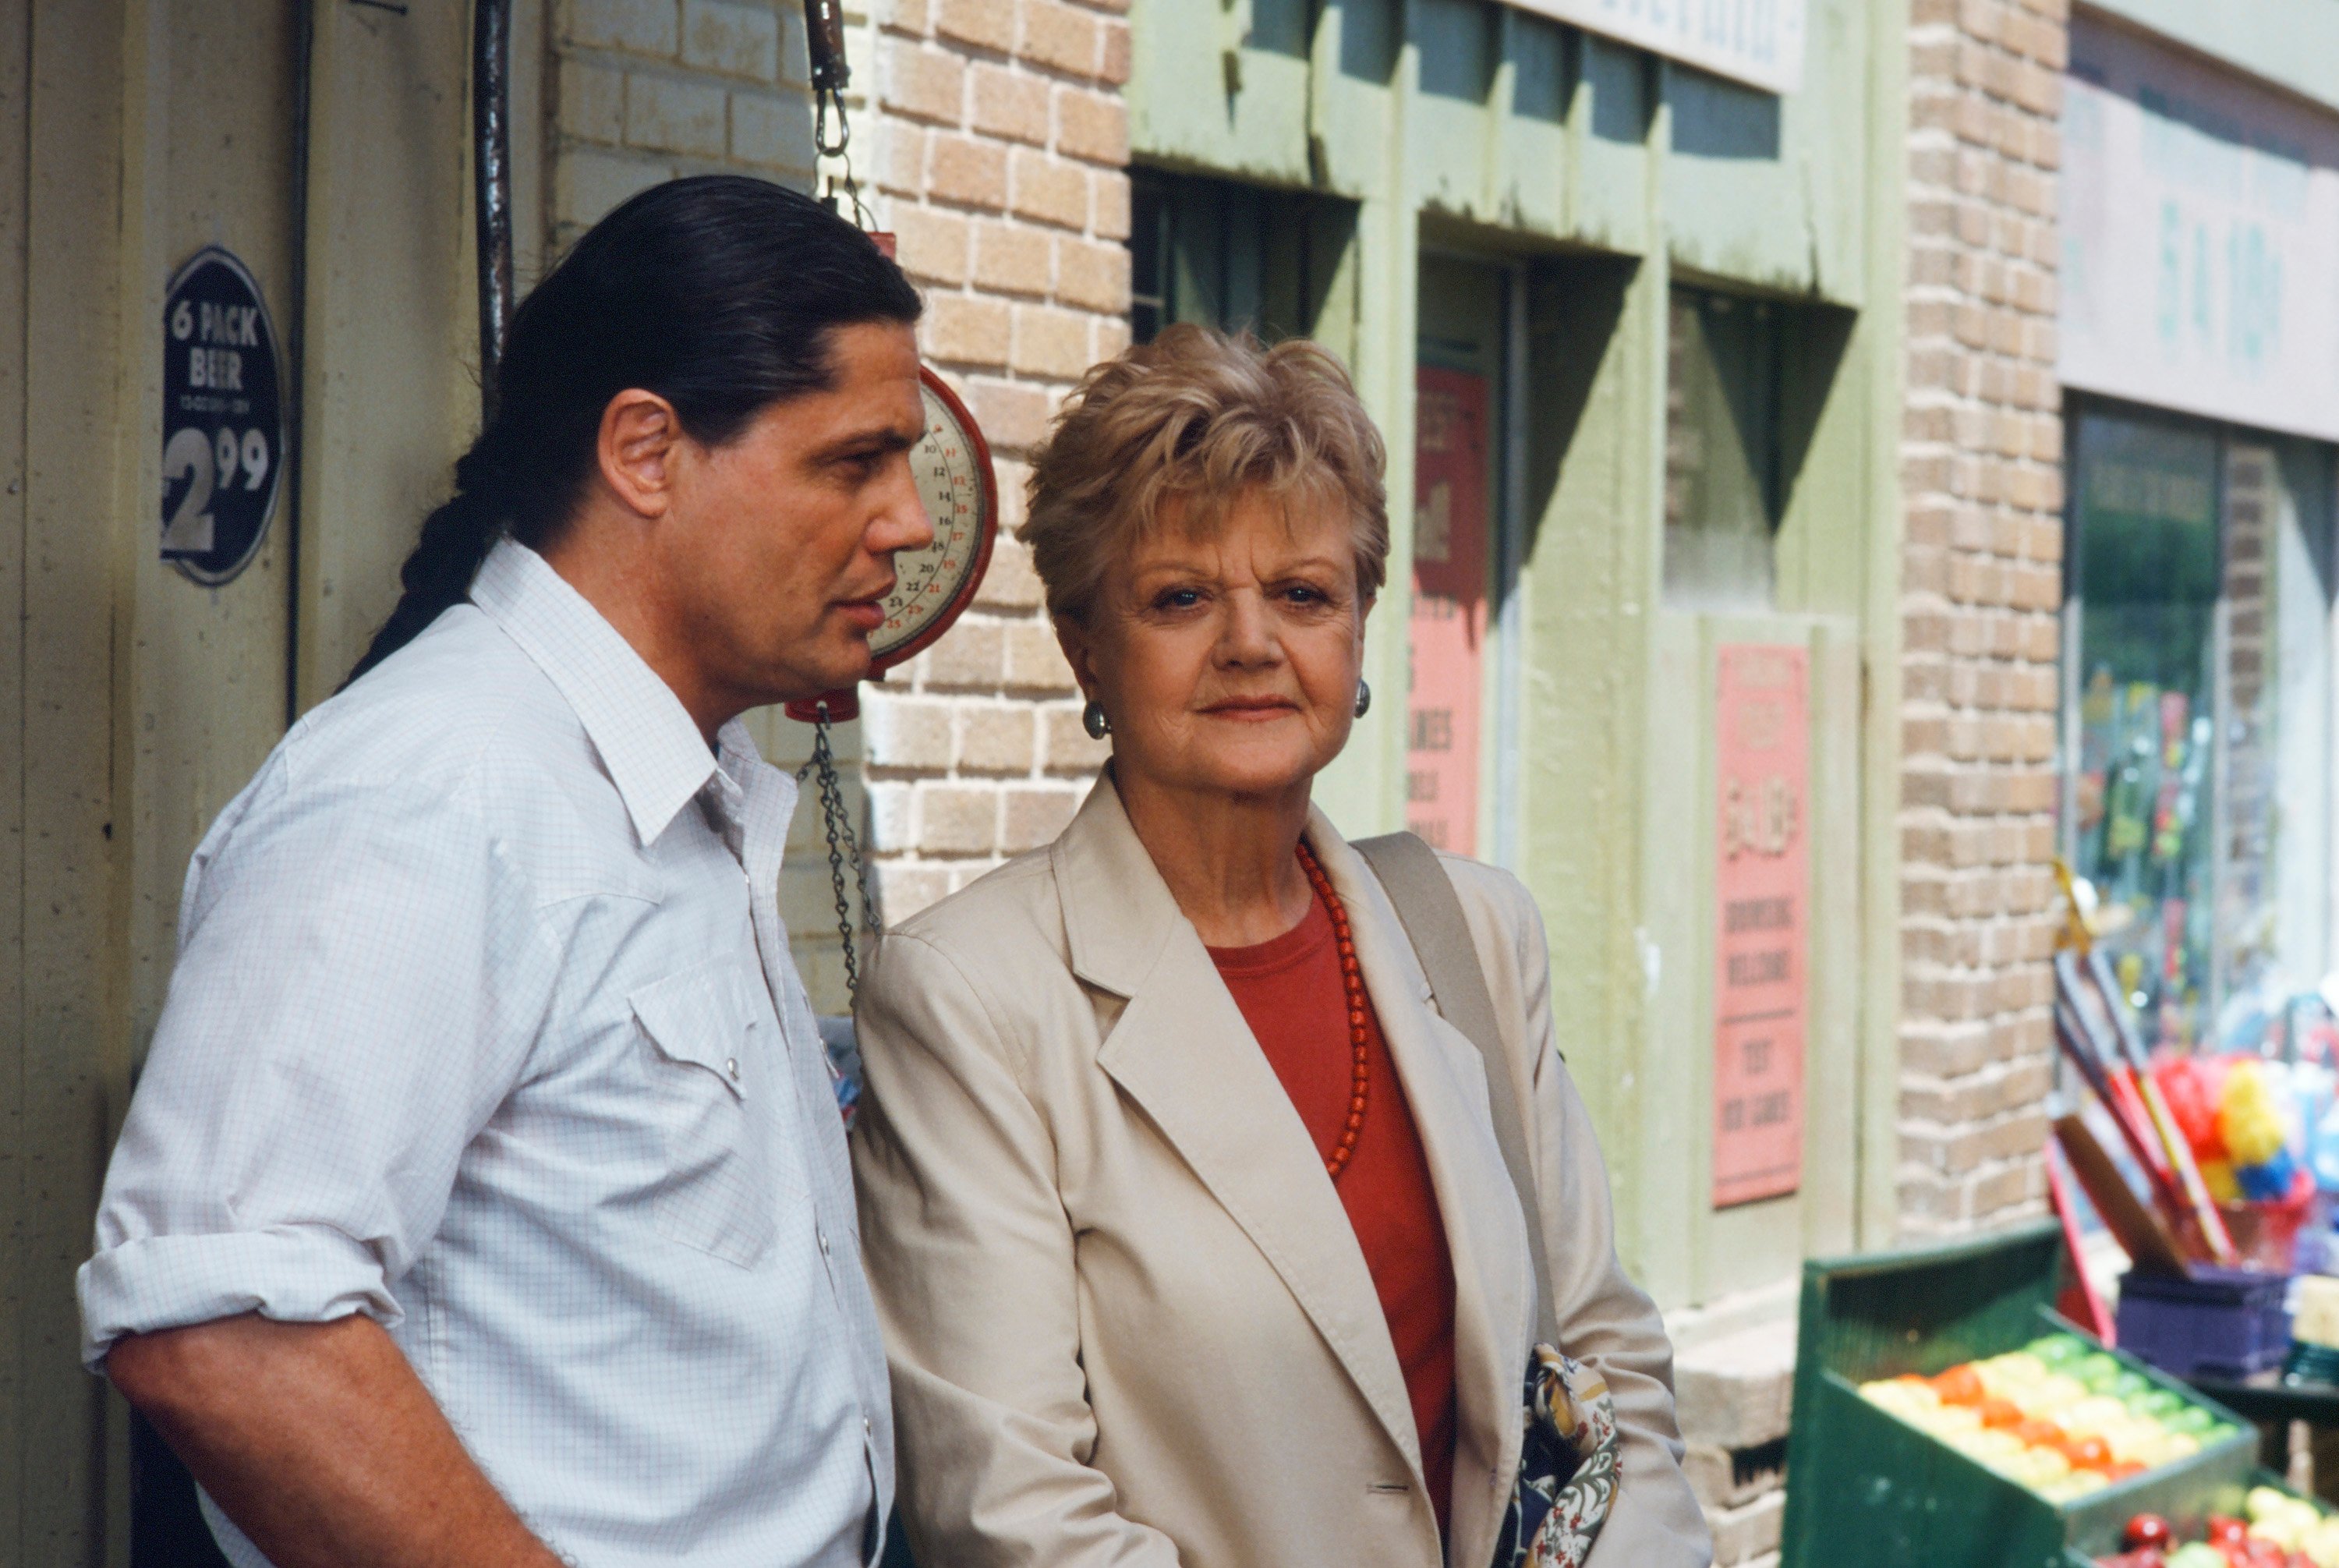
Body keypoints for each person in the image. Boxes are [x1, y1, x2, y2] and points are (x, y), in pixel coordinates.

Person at [78, 175, 930, 1568]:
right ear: (647, 451)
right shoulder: (433, 789)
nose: (905, 521)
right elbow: (220, 1326)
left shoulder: (656, 784)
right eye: (854, 461)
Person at [850, 325, 1713, 1568]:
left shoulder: (1472, 932)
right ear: (1087, 645)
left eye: (1302, 595)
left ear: (1357, 632)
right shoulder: (971, 999)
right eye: (1181, 598)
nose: (1250, 643)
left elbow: (1606, 1362)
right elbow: (1013, 1516)